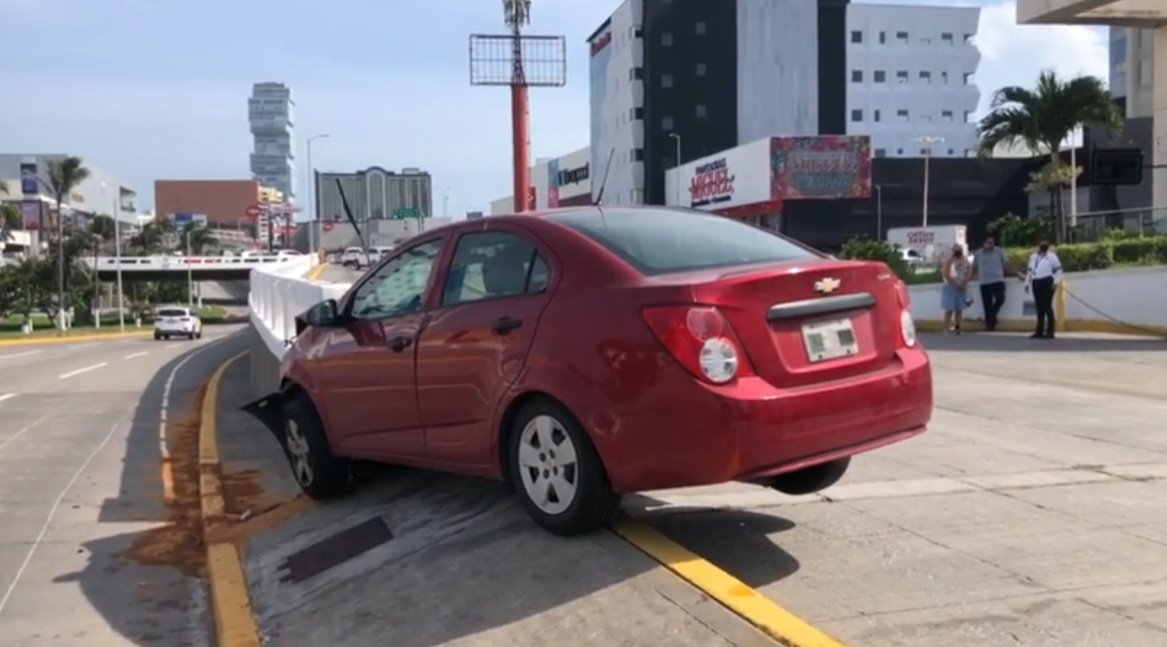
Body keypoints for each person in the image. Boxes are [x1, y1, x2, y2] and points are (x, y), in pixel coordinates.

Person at [1025, 239, 1063, 339]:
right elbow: (1030, 270)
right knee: (1039, 307)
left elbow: (1058, 271)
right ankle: (1039, 331)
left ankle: (1050, 332)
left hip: (1047, 282)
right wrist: (1027, 282)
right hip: (1036, 281)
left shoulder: (1052, 257)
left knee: (1047, 306)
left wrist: (1056, 282)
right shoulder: (1033, 257)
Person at [972, 236, 1007, 331]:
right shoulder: (978, 253)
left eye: (992, 242)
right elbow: (974, 267)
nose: (990, 244)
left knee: (1001, 298)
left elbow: (1006, 264)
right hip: (984, 282)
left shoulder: (999, 251)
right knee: (987, 304)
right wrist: (970, 277)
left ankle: (992, 316)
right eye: (988, 242)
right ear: (984, 243)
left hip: (998, 280)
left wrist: (1018, 273)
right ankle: (990, 325)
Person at [940, 244, 972, 334]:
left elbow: (969, 272)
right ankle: (946, 328)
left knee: (959, 309)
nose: (958, 251)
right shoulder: (949, 261)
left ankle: (958, 328)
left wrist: (964, 282)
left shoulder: (965, 260)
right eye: (956, 250)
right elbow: (946, 273)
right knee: (949, 309)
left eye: (959, 249)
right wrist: (955, 283)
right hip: (950, 287)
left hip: (962, 287)